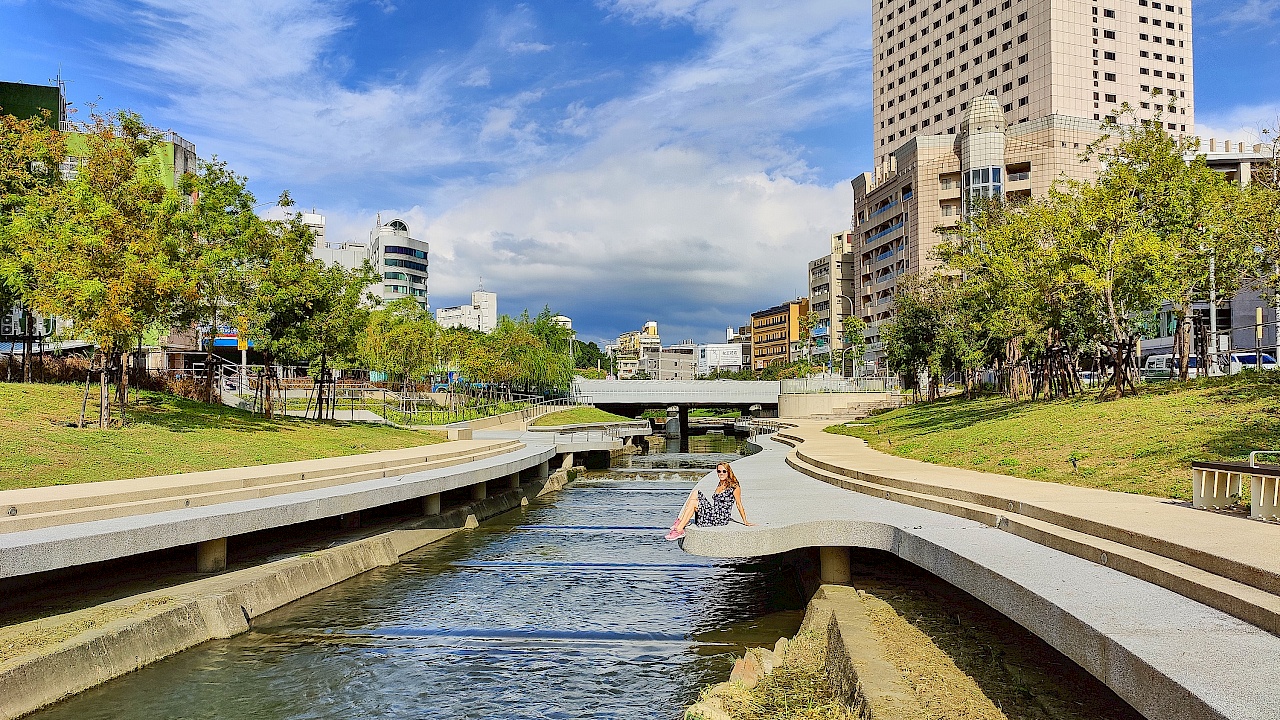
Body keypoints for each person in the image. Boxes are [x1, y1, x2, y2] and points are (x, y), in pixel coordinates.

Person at [665, 462, 754, 540]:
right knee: (696, 492)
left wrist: (745, 521)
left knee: (694, 503)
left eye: (724, 471)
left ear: (728, 472)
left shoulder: (735, 487)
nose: (721, 473)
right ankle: (680, 520)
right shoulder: (720, 483)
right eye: (719, 471)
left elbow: (739, 504)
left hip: (720, 518)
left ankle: (679, 530)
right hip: (713, 512)